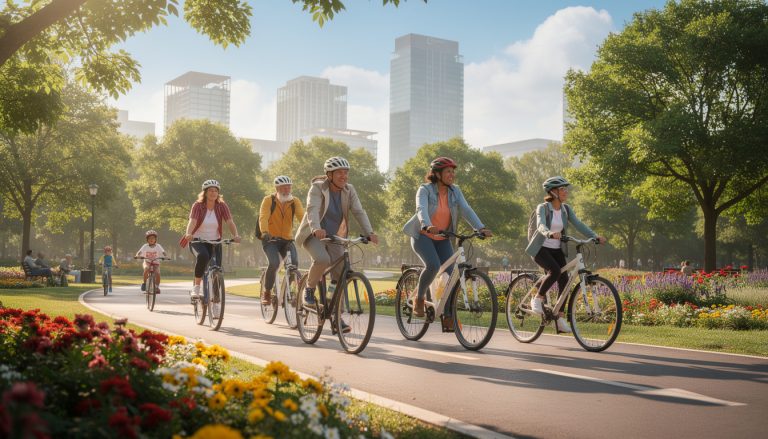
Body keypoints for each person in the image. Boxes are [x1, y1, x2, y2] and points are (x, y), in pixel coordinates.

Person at [402, 157, 492, 329]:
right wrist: (427, 225)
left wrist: (480, 228)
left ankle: (448, 314)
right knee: (433, 265)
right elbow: (420, 209)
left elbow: (466, 209)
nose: (452, 175)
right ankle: (419, 298)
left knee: (452, 275)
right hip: (423, 236)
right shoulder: (425, 189)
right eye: (448, 171)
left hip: (443, 238)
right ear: (437, 174)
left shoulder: (455, 191)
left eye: (453, 171)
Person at [295, 157, 378, 332]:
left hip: (335, 236)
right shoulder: (317, 187)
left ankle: (335, 316)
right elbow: (312, 209)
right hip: (313, 234)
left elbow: (358, 211)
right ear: (329, 175)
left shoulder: (349, 190)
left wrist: (370, 232)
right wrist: (316, 228)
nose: (344, 176)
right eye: (339, 172)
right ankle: (309, 290)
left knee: (340, 275)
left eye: (346, 172)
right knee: (322, 259)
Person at [525, 176, 606, 333]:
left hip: (557, 249)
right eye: (562, 189)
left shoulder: (565, 209)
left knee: (566, 280)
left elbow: (579, 224)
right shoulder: (542, 207)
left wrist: (595, 236)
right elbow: (540, 225)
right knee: (555, 271)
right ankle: (537, 298)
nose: (565, 191)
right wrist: (549, 233)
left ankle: (559, 317)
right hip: (540, 248)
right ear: (553, 192)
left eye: (565, 189)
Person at [182, 179, 241, 298]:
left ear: (218, 193)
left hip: (215, 241)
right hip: (198, 240)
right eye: (210, 191)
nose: (213, 193)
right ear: (205, 192)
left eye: (215, 191)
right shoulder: (198, 206)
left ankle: (216, 299)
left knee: (216, 270)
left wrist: (235, 235)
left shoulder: (222, 206)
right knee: (203, 256)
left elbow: (230, 222)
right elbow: (192, 222)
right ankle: (197, 287)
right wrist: (188, 233)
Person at [258, 175, 305, 303]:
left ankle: (287, 290)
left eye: (289, 187)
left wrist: (312, 230)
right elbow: (263, 216)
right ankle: (266, 292)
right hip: (270, 239)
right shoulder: (268, 200)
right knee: (274, 263)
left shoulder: (295, 201)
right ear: (277, 188)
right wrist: (265, 231)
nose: (287, 190)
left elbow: (303, 217)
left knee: (294, 263)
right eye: (284, 187)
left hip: (287, 240)